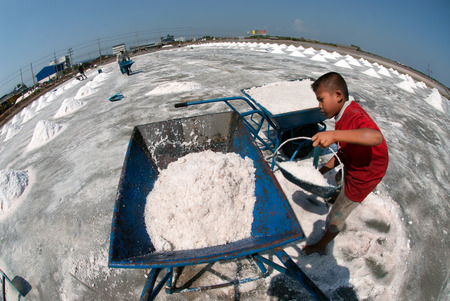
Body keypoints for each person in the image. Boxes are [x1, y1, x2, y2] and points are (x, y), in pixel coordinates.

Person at [302, 72, 389, 255]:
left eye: (321, 99)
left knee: (337, 213)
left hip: (367, 171)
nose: (319, 106)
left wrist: (333, 135)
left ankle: (321, 245)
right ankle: (338, 193)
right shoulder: (342, 115)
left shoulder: (355, 115)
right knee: (341, 176)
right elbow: (344, 149)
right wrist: (322, 170)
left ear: (338, 96)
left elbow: (375, 136)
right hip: (355, 160)